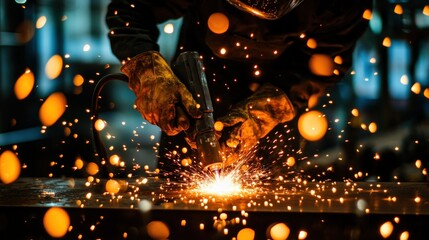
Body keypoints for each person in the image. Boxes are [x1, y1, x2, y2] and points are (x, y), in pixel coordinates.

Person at [105, 0, 373, 176]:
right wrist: (148, 71)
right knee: (179, 197)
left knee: (273, 207)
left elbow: (324, 64)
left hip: (278, 84)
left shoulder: (343, 4)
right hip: (197, 86)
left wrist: (264, 112)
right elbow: (129, 8)